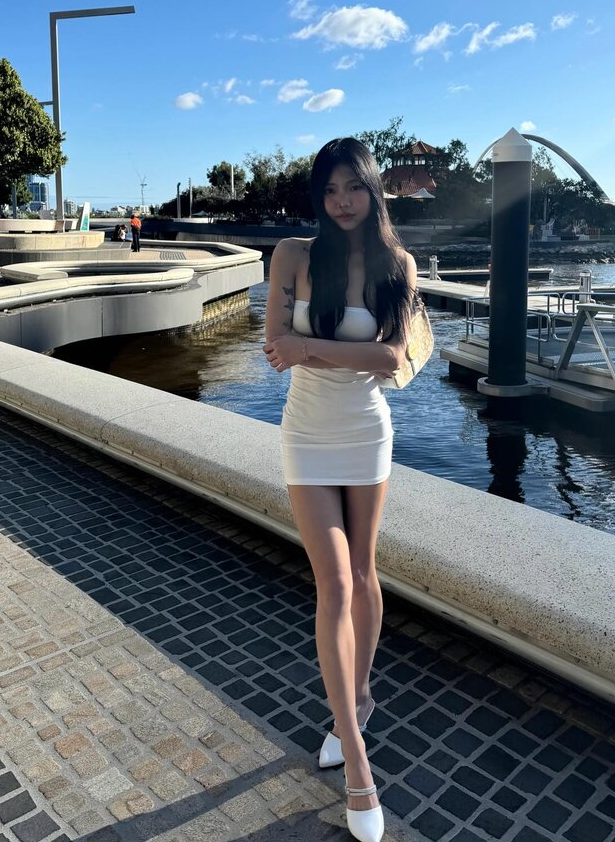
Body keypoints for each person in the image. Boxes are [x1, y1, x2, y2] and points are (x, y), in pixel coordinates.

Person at [263, 137, 417, 842]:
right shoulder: (292, 256)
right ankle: (356, 759)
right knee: (333, 583)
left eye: (352, 186)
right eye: (329, 190)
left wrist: (310, 349)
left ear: (372, 190)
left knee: (363, 573)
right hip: (306, 433)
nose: (341, 201)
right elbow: (275, 349)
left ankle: (359, 696)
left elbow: (392, 357)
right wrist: (310, 351)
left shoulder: (396, 264)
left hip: (366, 432)